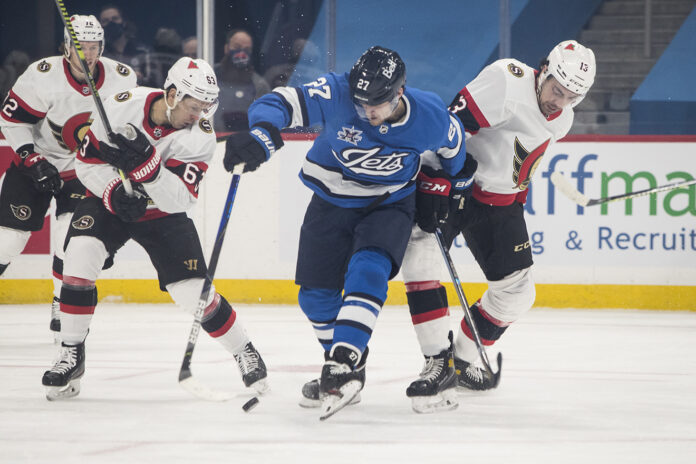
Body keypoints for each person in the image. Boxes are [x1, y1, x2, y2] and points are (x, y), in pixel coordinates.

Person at [223, 45, 470, 418]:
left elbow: (455, 149)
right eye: (361, 102)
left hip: (389, 203)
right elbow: (281, 101)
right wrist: (262, 131)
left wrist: (448, 184)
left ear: (400, 92)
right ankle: (347, 369)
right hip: (330, 201)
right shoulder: (336, 92)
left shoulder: (430, 115)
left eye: (377, 103)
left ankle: (342, 363)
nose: (367, 111)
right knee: (314, 297)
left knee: (368, 270)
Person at [40, 57, 268, 400]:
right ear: (172, 94)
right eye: (194, 106)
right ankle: (71, 352)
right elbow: (86, 164)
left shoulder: (200, 137)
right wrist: (111, 192)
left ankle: (243, 349)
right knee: (79, 254)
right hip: (108, 200)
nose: (199, 115)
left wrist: (151, 171)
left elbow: (180, 200)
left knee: (192, 292)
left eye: (206, 107)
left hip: (162, 212)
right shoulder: (120, 107)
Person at [401, 40, 596, 394]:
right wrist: (435, 181)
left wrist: (518, 197)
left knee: (518, 293)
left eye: (571, 97)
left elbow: (523, 161)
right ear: (545, 70)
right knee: (419, 262)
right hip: (457, 187)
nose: (559, 102)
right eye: (557, 90)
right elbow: (451, 127)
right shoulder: (507, 80)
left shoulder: (563, 119)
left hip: (500, 204)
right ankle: (437, 361)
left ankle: (461, 361)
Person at [0, 15, 136, 341]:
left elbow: (129, 127)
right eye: (80, 47)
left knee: (71, 238)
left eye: (94, 47)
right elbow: (11, 120)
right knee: (8, 241)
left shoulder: (122, 78)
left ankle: (61, 301)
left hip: (82, 169)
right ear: (66, 48)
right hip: (35, 163)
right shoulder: (42, 75)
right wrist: (32, 159)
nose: (88, 54)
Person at [214, 29, 270, 132]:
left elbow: (264, 120)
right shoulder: (210, 76)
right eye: (237, 47)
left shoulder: (259, 84)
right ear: (226, 48)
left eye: (247, 49)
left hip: (244, 139)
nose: (241, 53)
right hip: (211, 137)